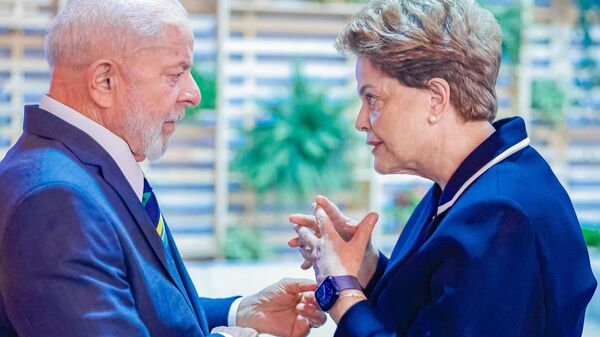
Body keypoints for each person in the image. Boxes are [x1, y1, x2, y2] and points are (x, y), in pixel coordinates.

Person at [0, 1, 326, 336]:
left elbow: (132, 301)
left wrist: (238, 312)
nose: (194, 93)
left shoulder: (81, 167)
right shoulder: (53, 199)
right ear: (104, 81)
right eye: (175, 74)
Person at [289, 0, 597, 336]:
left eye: (372, 98)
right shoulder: (467, 185)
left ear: (436, 98)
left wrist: (341, 292)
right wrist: (366, 267)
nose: (360, 121)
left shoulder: (501, 215)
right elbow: (444, 310)